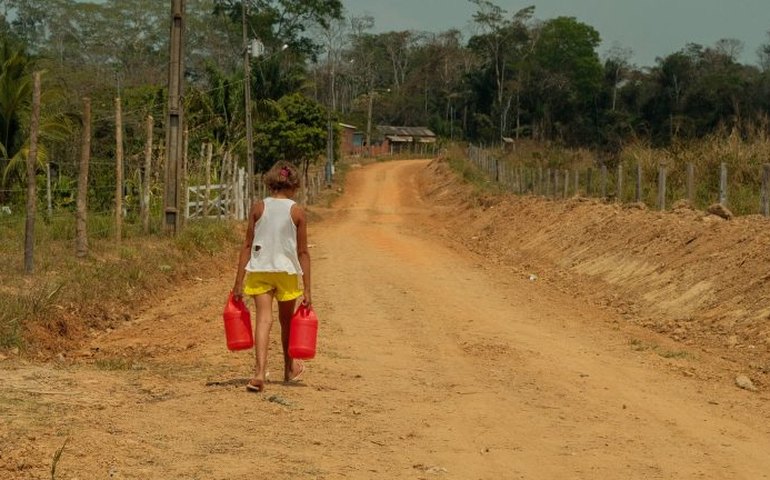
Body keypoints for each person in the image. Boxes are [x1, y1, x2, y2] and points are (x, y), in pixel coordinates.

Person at [232, 161, 312, 393]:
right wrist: (307, 289)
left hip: (260, 269)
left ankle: (259, 373)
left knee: (263, 320)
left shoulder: (259, 208)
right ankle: (288, 369)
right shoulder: (297, 211)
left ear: (271, 183)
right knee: (286, 322)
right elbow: (303, 252)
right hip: (286, 272)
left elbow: (247, 245)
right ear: (294, 185)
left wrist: (238, 282)